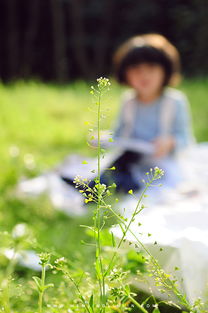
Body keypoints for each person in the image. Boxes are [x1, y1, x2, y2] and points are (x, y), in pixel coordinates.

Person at [100, 33, 194, 192]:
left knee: (173, 188)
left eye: (151, 68)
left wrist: (170, 142)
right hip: (133, 160)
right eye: (135, 69)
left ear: (166, 71)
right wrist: (103, 138)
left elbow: (186, 138)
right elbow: (119, 134)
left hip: (163, 162)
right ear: (125, 73)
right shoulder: (128, 102)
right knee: (109, 176)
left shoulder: (175, 101)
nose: (143, 75)